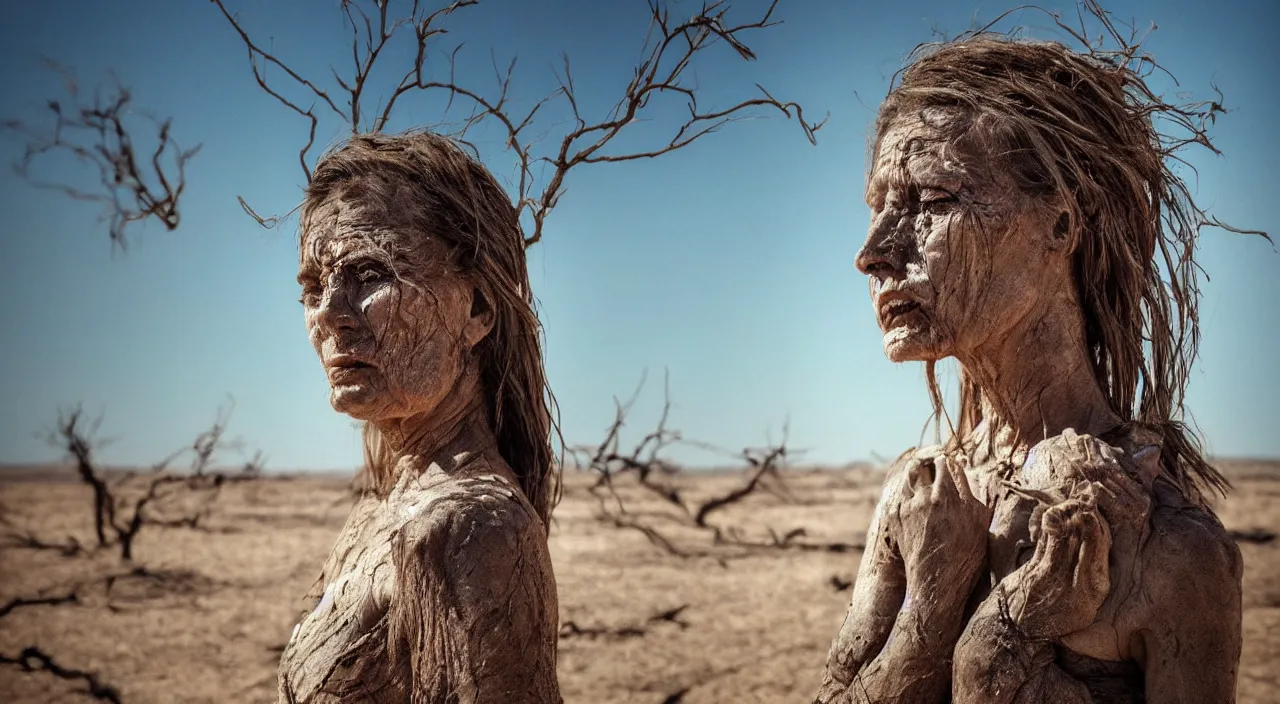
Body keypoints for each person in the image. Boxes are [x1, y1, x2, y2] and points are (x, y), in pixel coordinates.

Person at [815, 30, 1250, 704]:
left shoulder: (1167, 549)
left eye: (933, 202)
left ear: (1060, 225)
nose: (872, 252)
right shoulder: (921, 493)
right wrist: (929, 624)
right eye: (878, 207)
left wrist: (998, 645)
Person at [276, 131, 563, 703]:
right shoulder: (378, 514)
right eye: (313, 287)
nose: (330, 315)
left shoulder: (470, 530)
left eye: (372, 274)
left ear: (477, 308)